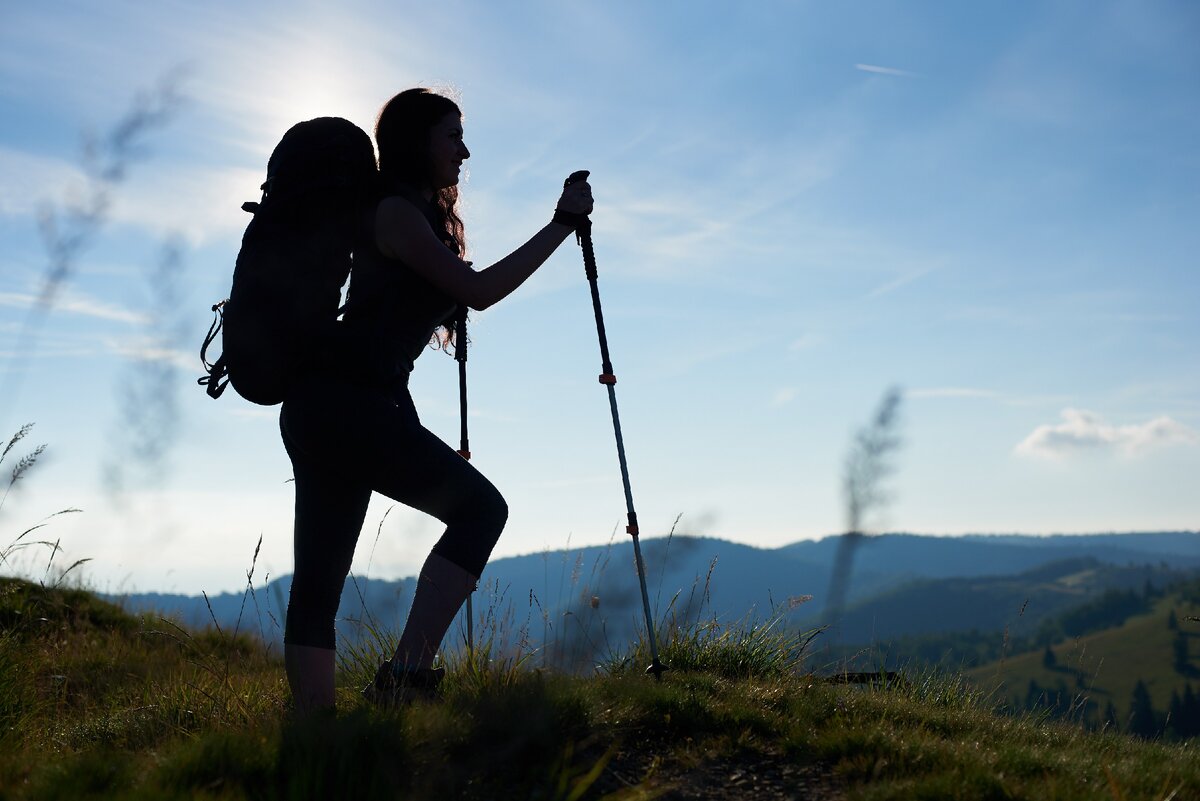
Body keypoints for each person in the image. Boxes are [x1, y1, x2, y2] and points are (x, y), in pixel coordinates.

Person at [278, 87, 593, 712]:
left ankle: (317, 735)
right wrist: (562, 224)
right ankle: (405, 679)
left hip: (329, 407)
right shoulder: (396, 213)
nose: (464, 151)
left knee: (318, 585)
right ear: (417, 140)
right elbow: (478, 293)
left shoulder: (402, 213)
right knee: (480, 511)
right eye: (452, 136)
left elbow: (388, 332)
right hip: (347, 407)